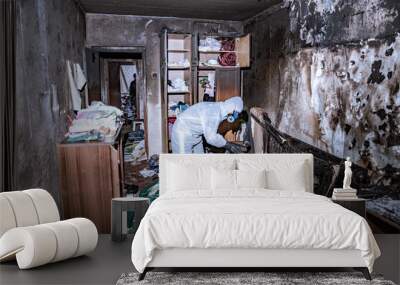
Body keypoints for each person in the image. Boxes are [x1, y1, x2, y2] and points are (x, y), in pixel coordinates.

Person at [171, 96, 244, 153]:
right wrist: (228, 145)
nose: (234, 118)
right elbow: (211, 138)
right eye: (235, 115)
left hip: (195, 134)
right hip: (182, 132)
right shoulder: (214, 113)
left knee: (201, 159)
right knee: (183, 162)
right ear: (232, 111)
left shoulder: (219, 108)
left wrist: (229, 144)